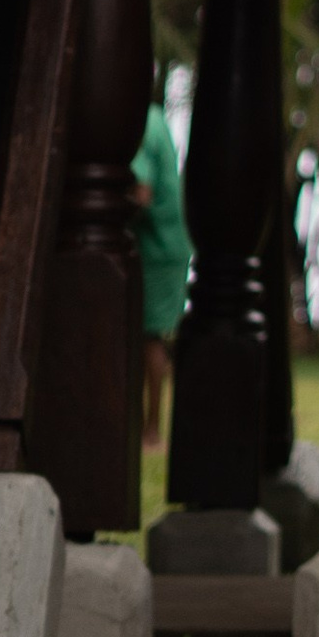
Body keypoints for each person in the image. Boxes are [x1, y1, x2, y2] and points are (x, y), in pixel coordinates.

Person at [132, 93, 192, 448]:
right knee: (147, 337)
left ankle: (151, 431)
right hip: (164, 243)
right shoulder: (152, 115)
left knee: (150, 337)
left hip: (160, 246)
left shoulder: (140, 122)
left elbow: (141, 194)